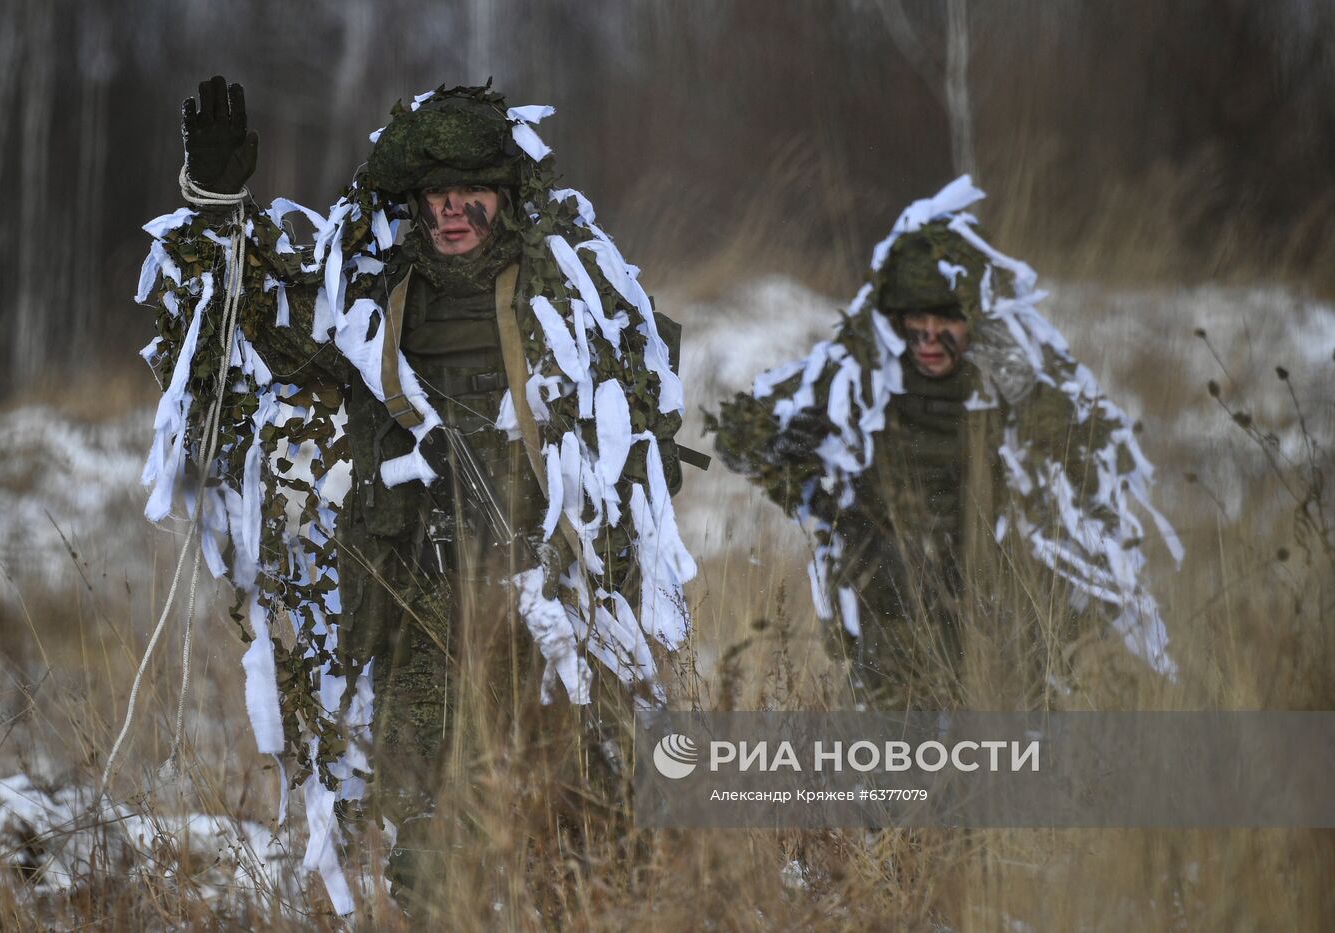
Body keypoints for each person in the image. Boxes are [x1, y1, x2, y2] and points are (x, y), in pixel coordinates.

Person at [138, 77, 700, 905]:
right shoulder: (369, 301)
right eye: (436, 193)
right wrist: (220, 206)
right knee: (434, 846)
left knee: (583, 829)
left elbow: (644, 450)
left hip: (550, 614)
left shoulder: (566, 302)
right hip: (421, 617)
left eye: (471, 191)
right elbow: (239, 329)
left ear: (505, 198)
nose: (452, 209)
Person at [710, 177, 1182, 709]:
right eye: (917, 323)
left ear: (974, 321)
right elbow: (735, 436)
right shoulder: (858, 376)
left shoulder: (1008, 379)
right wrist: (786, 451)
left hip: (999, 631)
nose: (930, 341)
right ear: (895, 319)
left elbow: (1090, 460)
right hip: (891, 627)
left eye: (947, 324)